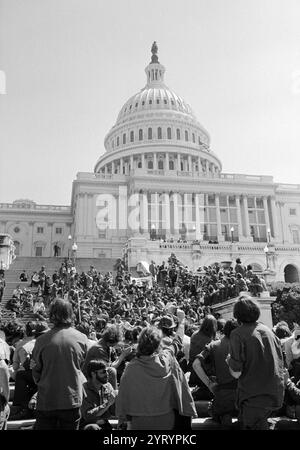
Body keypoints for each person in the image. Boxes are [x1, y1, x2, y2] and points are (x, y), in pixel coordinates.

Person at [116, 309, 197, 430]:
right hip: (166, 420)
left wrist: (123, 421)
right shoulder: (166, 358)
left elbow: (123, 398)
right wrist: (182, 321)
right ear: (158, 344)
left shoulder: (131, 368)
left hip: (139, 422)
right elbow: (177, 341)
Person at [226, 295, 285, 430]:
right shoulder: (269, 331)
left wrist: (229, 360)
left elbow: (236, 373)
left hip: (253, 397)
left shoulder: (237, 334)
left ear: (237, 315)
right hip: (275, 395)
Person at [32, 298, 89, 430]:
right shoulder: (82, 338)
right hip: (72, 399)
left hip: (47, 399)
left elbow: (35, 370)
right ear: (70, 314)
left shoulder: (41, 340)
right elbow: (83, 368)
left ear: (52, 314)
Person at [192, 318, 239, 427]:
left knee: (217, 409)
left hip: (222, 395)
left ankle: (223, 415)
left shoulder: (213, 345)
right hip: (243, 396)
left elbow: (195, 364)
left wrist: (209, 384)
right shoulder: (245, 345)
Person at [80, 359, 117, 430]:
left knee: (126, 422)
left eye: (107, 371)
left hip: (106, 421)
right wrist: (107, 404)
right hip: (90, 423)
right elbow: (88, 416)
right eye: (103, 372)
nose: (107, 374)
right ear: (93, 374)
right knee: (92, 428)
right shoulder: (84, 389)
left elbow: (113, 412)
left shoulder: (108, 386)